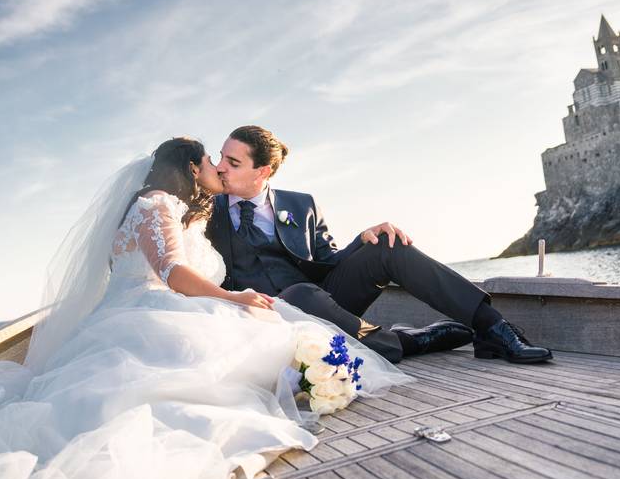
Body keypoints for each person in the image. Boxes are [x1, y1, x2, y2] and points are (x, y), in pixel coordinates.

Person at [0, 138, 409, 479]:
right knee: (245, 333)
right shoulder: (156, 204)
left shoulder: (175, 210)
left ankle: (376, 348)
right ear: (191, 169)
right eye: (212, 165)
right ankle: (375, 350)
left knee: (270, 322)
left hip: (151, 304)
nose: (219, 170)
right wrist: (233, 297)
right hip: (149, 307)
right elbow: (173, 274)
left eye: (227, 165)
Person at [208, 126, 553, 365]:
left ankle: (494, 328)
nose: (221, 167)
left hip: (323, 302)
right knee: (299, 295)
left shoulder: (302, 204)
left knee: (387, 243)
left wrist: (362, 240)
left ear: (263, 171)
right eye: (221, 157)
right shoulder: (206, 212)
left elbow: (328, 263)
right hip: (260, 317)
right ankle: (411, 341)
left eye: (233, 162)